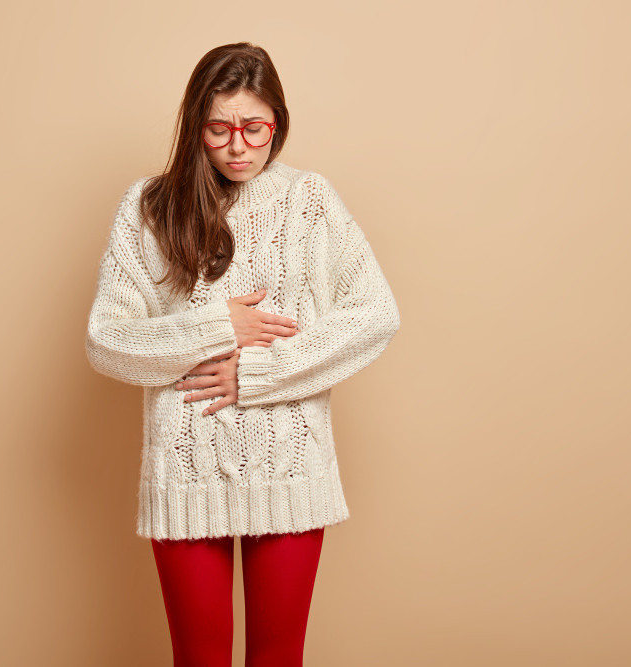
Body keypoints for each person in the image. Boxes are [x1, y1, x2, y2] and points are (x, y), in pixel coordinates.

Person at [85, 42, 400, 667]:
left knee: (278, 660)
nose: (238, 146)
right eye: (219, 128)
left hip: (289, 466)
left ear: (276, 123)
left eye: (255, 128)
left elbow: (375, 313)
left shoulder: (310, 200)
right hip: (187, 470)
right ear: (195, 126)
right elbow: (106, 340)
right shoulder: (150, 207)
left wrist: (256, 372)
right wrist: (216, 325)